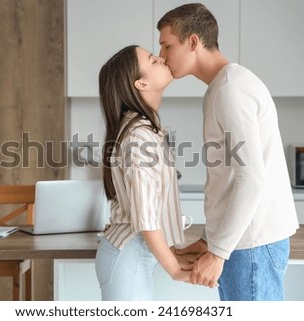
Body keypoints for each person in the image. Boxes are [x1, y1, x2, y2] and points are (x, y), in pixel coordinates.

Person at [156, 3, 299, 301]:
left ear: (193, 42)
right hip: (244, 244)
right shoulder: (223, 87)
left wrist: (218, 253)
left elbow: (251, 179)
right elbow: (230, 178)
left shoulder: (231, 90)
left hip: (251, 247)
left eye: (167, 45)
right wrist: (211, 239)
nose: (162, 56)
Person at [95, 45, 190, 300]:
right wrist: (176, 271)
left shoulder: (143, 129)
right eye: (153, 60)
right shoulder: (140, 138)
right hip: (128, 256)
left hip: (129, 256)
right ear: (141, 84)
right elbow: (146, 218)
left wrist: (174, 252)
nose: (161, 58)